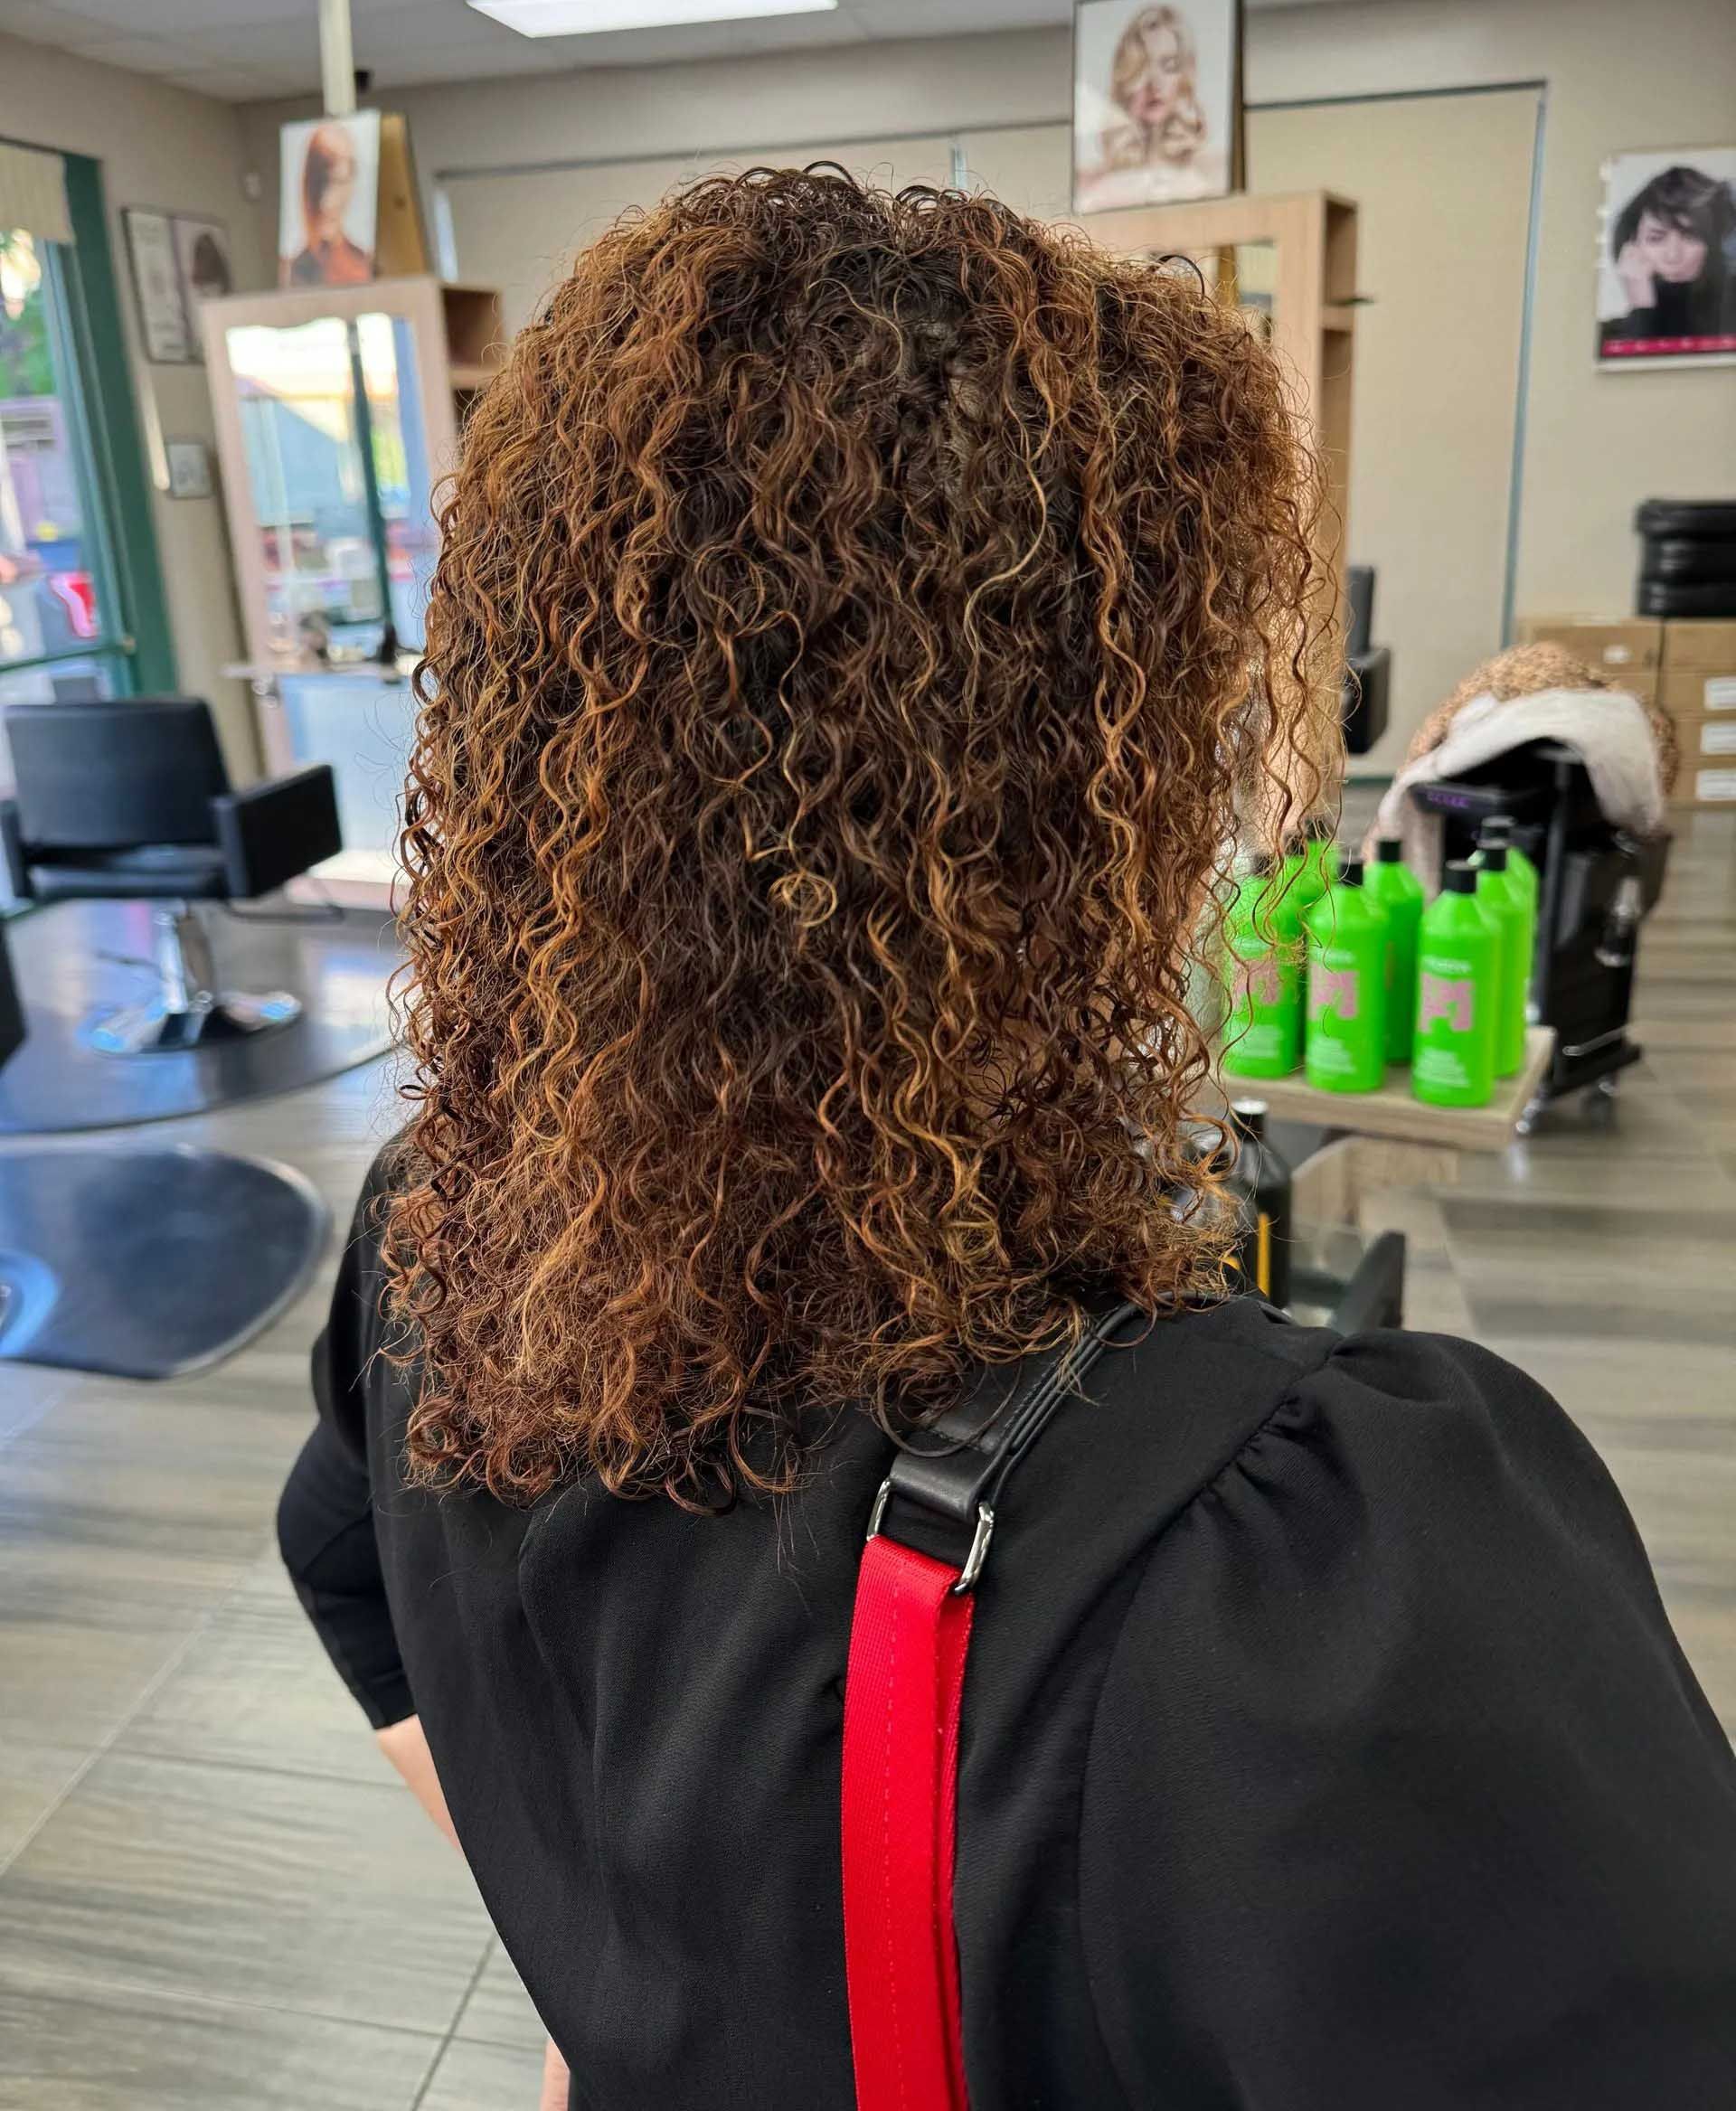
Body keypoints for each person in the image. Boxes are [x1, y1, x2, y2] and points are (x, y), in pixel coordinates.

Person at [279, 167, 1736, 2110]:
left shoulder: (440, 1239)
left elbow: (346, 1568)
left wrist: (620, 1983)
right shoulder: (1296, 1564)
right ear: (1089, 806)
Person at [1075, 0, 1227, 212]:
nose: (1155, 83)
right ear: (1126, 77)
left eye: (1169, 66)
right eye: (1143, 67)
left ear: (1184, 77)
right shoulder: (1093, 192)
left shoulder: (1211, 177)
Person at [1599, 162, 1736, 356]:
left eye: (1690, 237)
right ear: (1632, 244)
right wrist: (1642, 309)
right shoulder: (1608, 337)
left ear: (1715, 241)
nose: (1673, 255)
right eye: (1656, 238)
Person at [280, 118, 373, 287]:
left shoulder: (361, 260)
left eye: (341, 182)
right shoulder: (296, 267)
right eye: (325, 182)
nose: (329, 203)